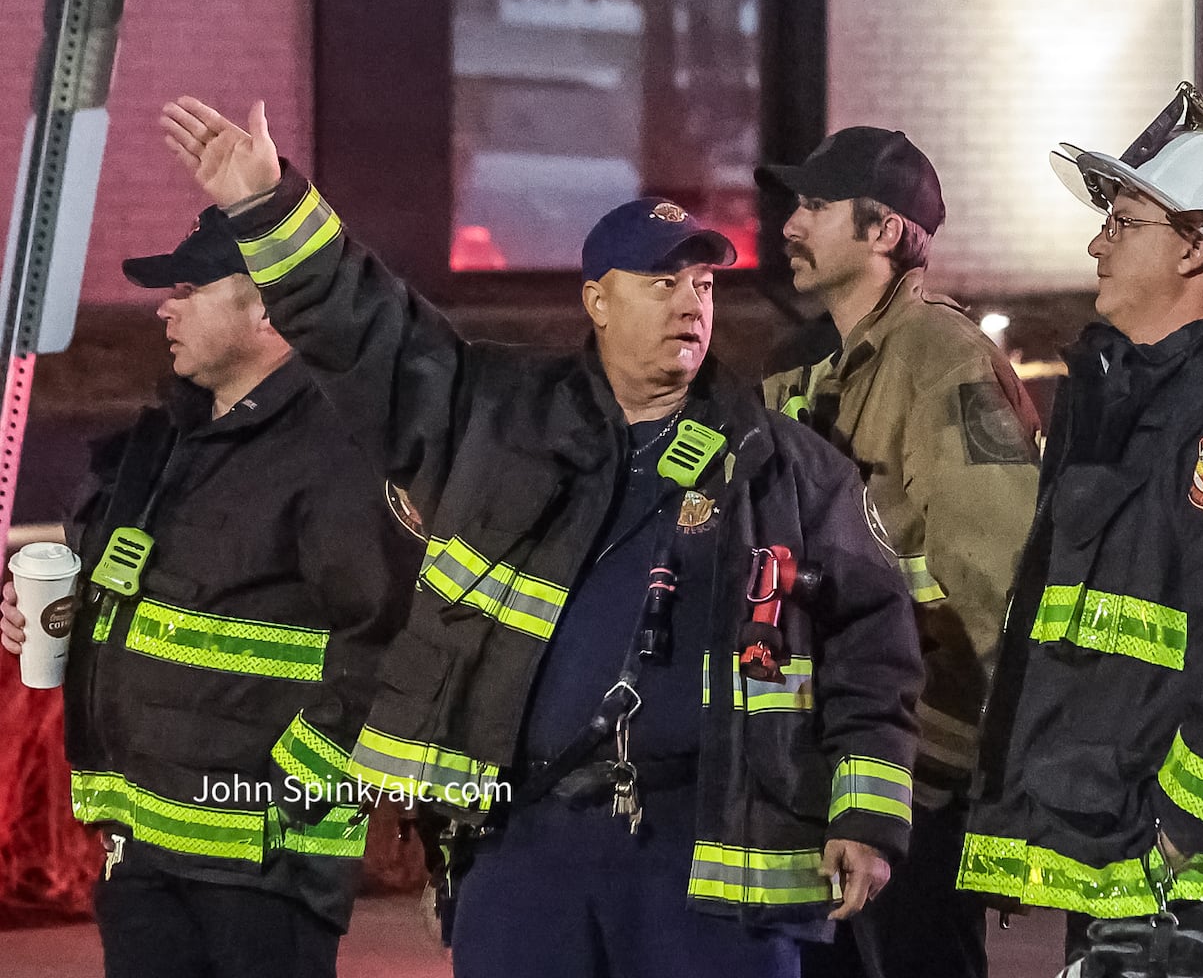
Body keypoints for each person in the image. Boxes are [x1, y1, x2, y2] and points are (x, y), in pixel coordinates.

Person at [159, 95, 924, 978]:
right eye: (661, 282)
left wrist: (864, 818)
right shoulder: (495, 418)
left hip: (710, 849)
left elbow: (874, 648)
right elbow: (367, 331)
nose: (690, 304)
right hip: (523, 841)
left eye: (703, 285)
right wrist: (267, 206)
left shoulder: (786, 468)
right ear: (597, 300)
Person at [956, 82, 1203, 978]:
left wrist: (1178, 833)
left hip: (1201, 882)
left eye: (1123, 221)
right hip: (1129, 860)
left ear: (1197, 251)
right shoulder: (1138, 399)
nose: (1096, 241)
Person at [0, 208, 420, 977]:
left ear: (266, 306)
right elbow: (136, 598)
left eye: (190, 288)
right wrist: (54, 621)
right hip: (142, 847)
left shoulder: (338, 452)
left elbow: (389, 640)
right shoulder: (162, 442)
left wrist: (295, 788)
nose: (165, 305)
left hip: (261, 870)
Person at [757, 126, 1040, 978]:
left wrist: (1012, 780)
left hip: (923, 765)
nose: (789, 226)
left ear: (883, 232)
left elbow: (999, 573)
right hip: (833, 751)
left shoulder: (939, 360)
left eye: (814, 206)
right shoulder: (815, 370)